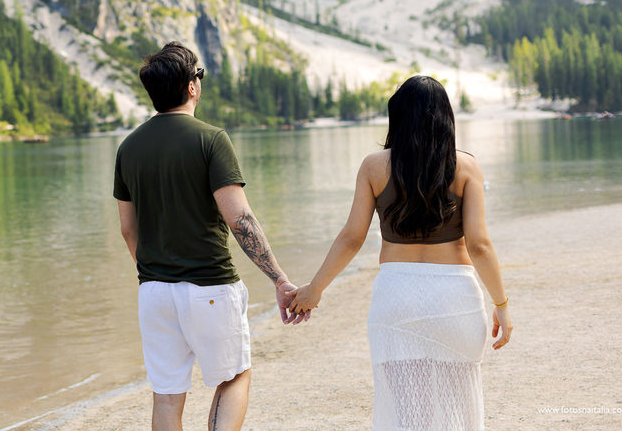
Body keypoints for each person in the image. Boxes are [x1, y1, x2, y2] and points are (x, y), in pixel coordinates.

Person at [288, 74, 512, 431]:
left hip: (397, 298)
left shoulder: (374, 167)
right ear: (445, 119)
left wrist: (315, 289)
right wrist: (501, 305)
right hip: (456, 300)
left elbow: (351, 238)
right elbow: (479, 245)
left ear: (398, 117)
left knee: (409, 415)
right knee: (458, 410)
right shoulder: (466, 167)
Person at [114, 41, 304, 431]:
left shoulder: (128, 148)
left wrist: (157, 269)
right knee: (233, 377)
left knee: (167, 394)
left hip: (153, 291)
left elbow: (128, 229)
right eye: (198, 76)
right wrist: (279, 279)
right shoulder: (211, 139)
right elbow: (241, 220)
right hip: (210, 285)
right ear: (192, 87)